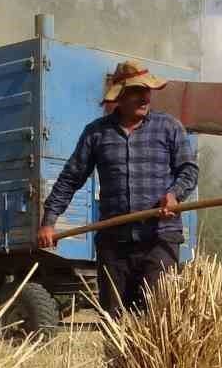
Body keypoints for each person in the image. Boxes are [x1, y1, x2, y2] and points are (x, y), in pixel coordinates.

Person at [37, 59, 198, 317]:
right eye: (137, 92)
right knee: (114, 320)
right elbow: (70, 178)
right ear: (120, 97)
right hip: (114, 242)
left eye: (147, 91)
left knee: (159, 317)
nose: (145, 98)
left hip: (159, 237)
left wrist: (174, 194)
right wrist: (49, 221)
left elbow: (189, 170)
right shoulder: (96, 134)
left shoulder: (169, 127)